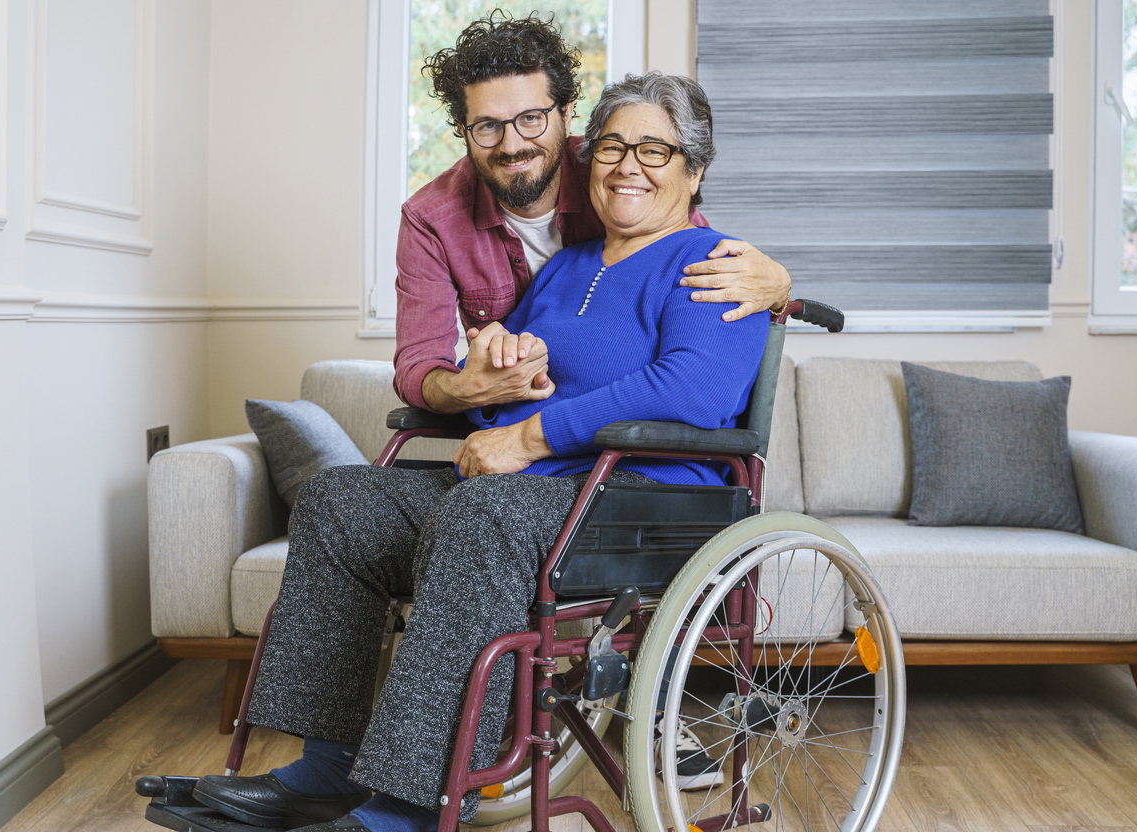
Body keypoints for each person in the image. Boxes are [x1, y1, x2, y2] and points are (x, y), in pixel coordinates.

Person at [192, 72, 769, 832]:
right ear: (586, 158)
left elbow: (692, 390)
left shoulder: (713, 264)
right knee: (342, 501)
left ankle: (408, 809)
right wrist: (496, 368)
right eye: (614, 146)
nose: (629, 164)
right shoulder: (569, 266)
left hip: (644, 503)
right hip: (541, 495)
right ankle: (326, 771)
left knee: (485, 516)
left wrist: (530, 436)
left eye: (655, 149)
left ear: (694, 169)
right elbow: (503, 385)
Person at [394, 12, 789, 418]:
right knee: (339, 484)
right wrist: (469, 388)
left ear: (566, 114)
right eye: (488, 126)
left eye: (531, 118)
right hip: (516, 453)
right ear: (463, 129)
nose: (512, 145)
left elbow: (680, 243)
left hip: (597, 465)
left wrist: (779, 284)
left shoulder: (615, 177)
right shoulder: (432, 219)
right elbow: (420, 366)